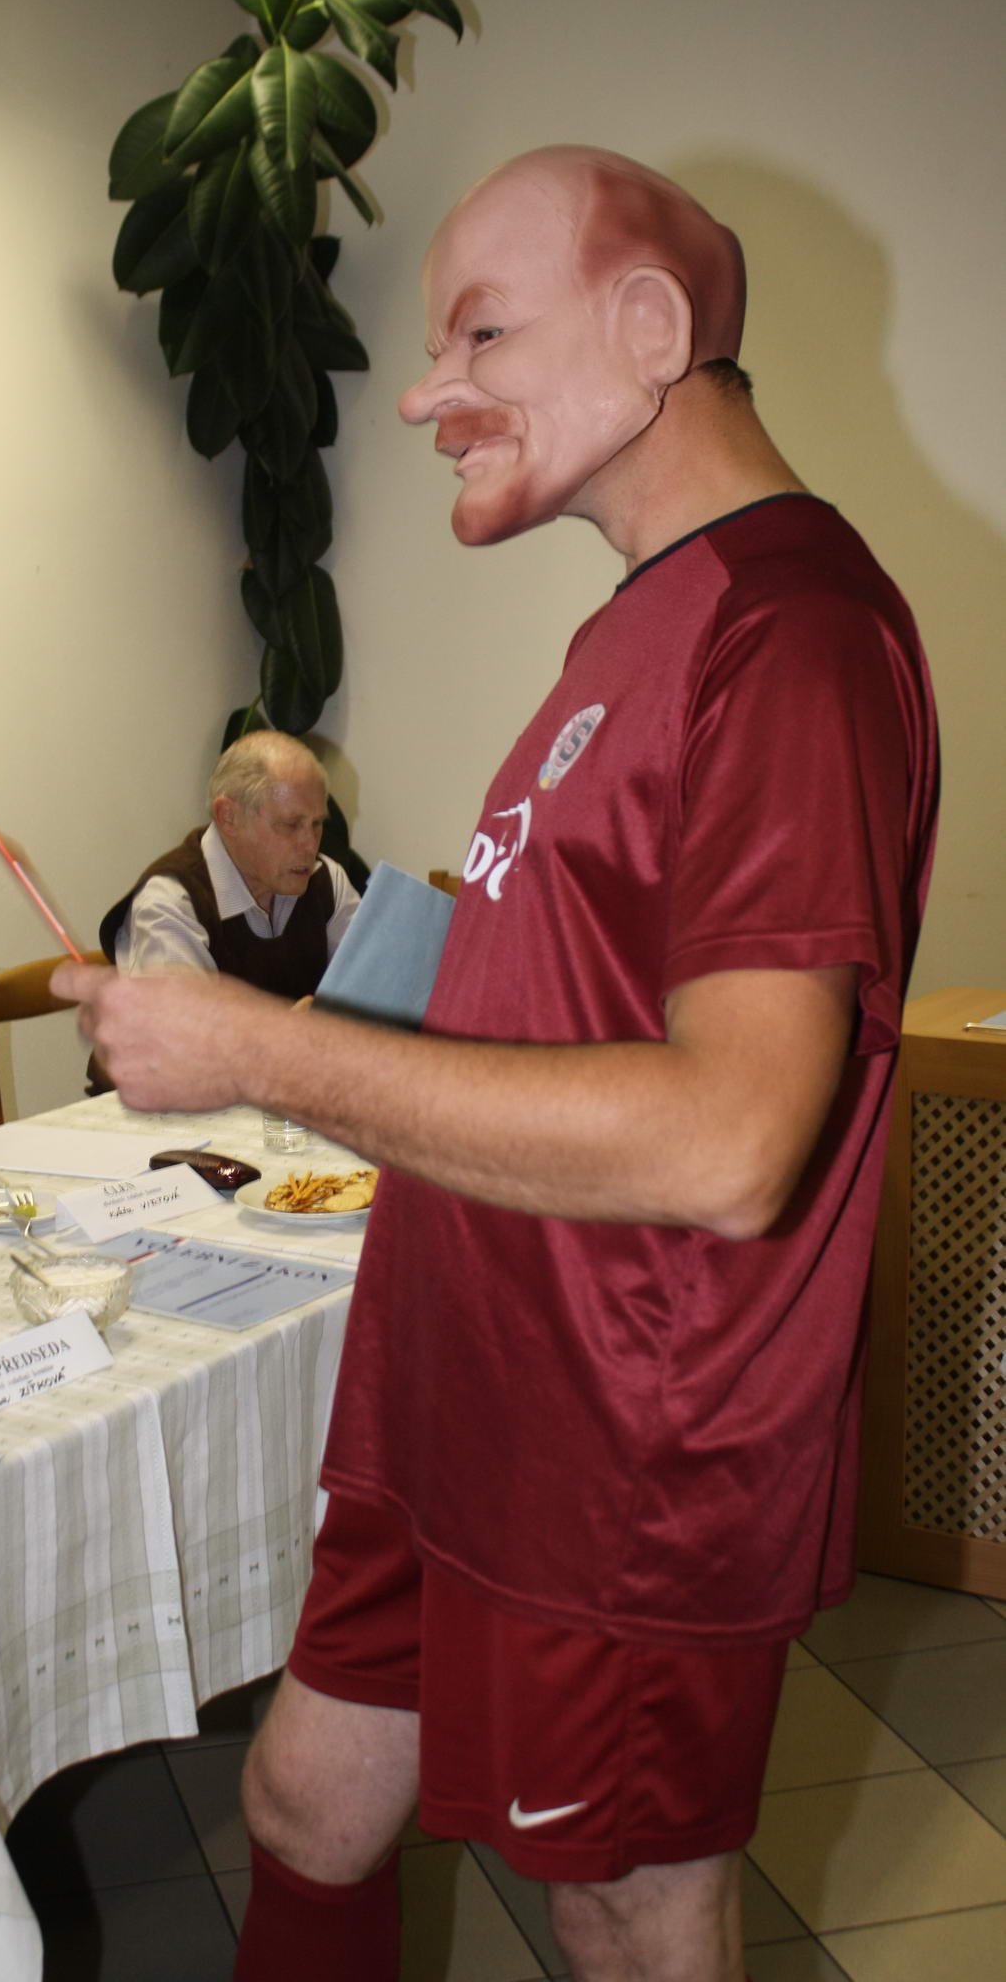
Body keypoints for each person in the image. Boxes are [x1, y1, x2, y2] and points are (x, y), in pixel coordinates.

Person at [55, 145, 939, 1982]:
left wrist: (263, 1047)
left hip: (621, 1446)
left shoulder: (793, 628)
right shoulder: (633, 621)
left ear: (648, 328)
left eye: (478, 334)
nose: (426, 394)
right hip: (461, 1380)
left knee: (623, 1907)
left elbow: (728, 1141)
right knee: (305, 1805)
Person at [99, 730, 360, 996]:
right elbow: (190, 1022)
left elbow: (374, 987)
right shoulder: (171, 906)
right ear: (228, 817)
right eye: (290, 825)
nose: (310, 845)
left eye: (317, 824)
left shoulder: (326, 881)